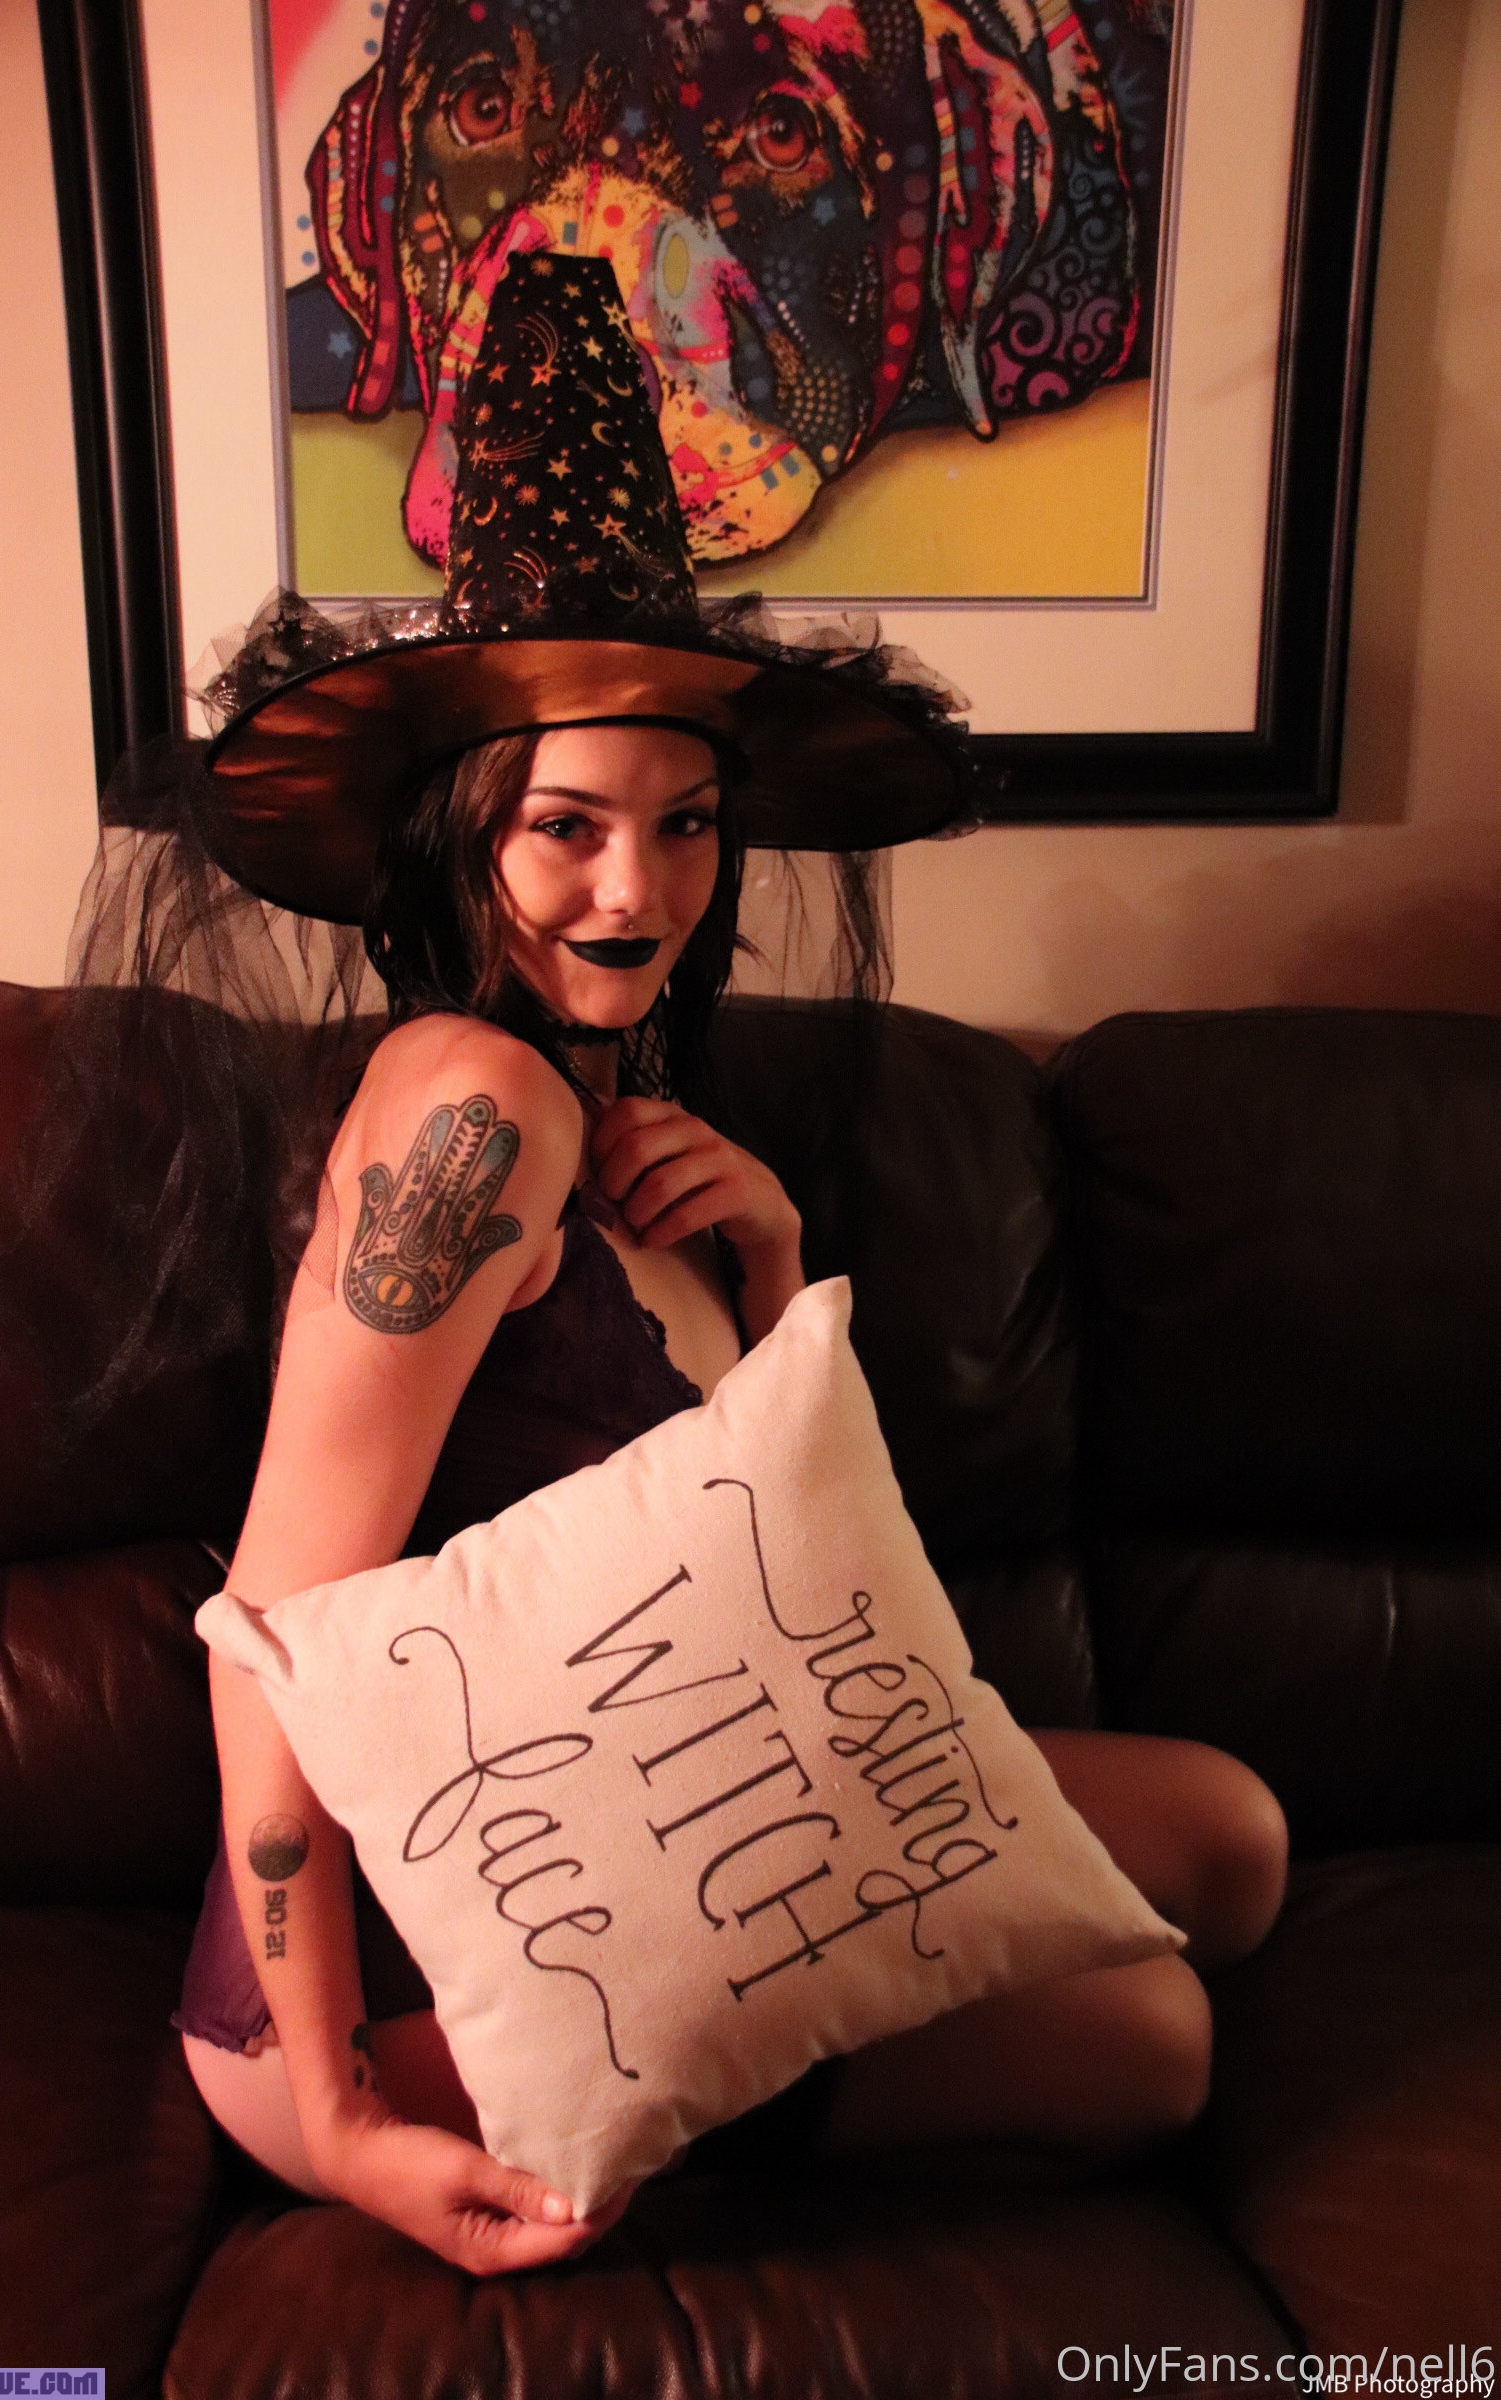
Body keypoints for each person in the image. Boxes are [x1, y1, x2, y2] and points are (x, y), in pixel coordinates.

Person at [149, 256, 1289, 2275]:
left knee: (1232, 1839)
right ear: (460, 834)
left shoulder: (621, 1120)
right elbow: (267, 1636)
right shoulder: (470, 1113)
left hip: (691, 1784)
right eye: (567, 826)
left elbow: (793, 1584)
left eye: (685, 826)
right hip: (431, 1945)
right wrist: (330, 2118)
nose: (638, 890)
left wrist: (770, 1273)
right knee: (1153, 2040)